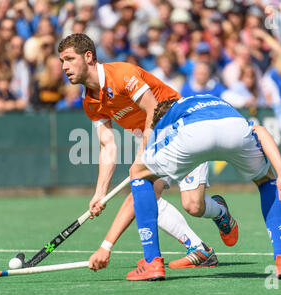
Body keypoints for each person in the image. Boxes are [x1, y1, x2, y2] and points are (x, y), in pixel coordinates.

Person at [58, 33, 227, 271]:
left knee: (174, 200)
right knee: (164, 200)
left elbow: (154, 109)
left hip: (180, 126)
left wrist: (143, 155)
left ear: (88, 57)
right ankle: (200, 249)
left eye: (69, 59)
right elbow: (107, 145)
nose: (64, 67)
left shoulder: (121, 74)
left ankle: (219, 214)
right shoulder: (89, 101)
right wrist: (99, 193)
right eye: (61, 61)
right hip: (154, 139)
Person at [127, 94, 281, 281]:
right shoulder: (209, 101)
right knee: (265, 179)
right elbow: (259, 130)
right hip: (234, 129)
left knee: (137, 173)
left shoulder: (164, 120)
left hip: (193, 134)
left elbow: (149, 159)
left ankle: (152, 262)